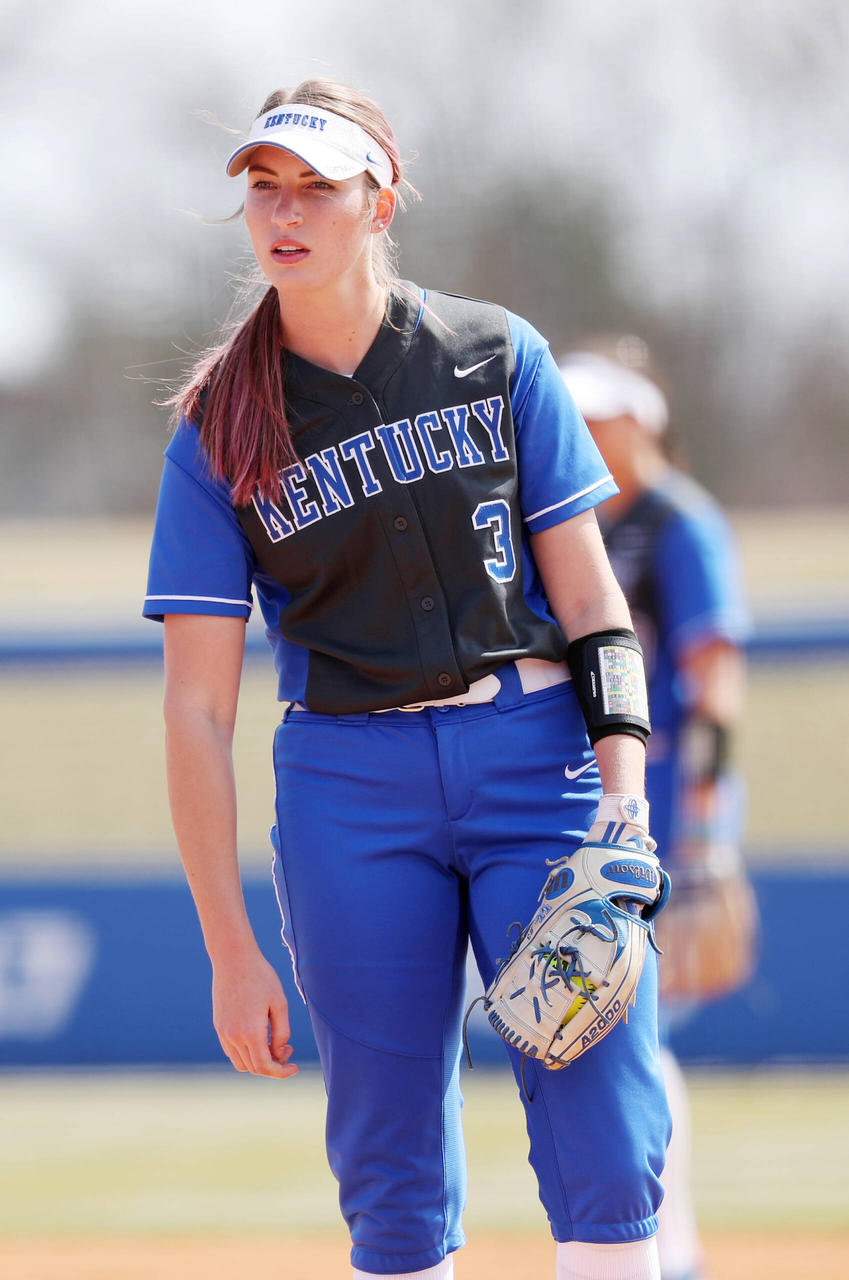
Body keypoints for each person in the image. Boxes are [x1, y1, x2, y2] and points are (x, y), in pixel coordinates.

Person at [144, 79, 671, 1280]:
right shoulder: (220, 426)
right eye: (264, 188)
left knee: (604, 1116)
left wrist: (624, 797)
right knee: (389, 1162)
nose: (285, 212)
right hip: (349, 781)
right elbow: (197, 703)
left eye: (316, 186)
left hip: (533, 758)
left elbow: (593, 606)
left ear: (379, 200)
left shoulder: (495, 355)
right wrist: (229, 945)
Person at [559, 345, 759, 1280]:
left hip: (672, 809)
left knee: (635, 1034)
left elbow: (715, 679)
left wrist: (709, 833)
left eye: (601, 416)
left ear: (640, 422)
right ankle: (658, 1251)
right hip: (607, 806)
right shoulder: (575, 523)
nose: (585, 431)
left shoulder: (678, 521)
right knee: (621, 1032)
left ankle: (665, 1255)